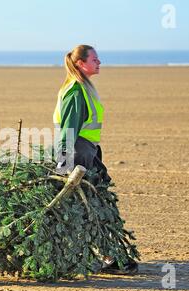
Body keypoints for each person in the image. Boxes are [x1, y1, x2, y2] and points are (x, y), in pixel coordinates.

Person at [53, 44, 138, 275]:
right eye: (95, 60)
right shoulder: (75, 91)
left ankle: (110, 256)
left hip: (87, 152)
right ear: (81, 63)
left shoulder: (84, 88)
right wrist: (63, 167)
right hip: (78, 154)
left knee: (94, 205)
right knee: (90, 207)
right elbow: (68, 132)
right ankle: (111, 258)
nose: (99, 63)